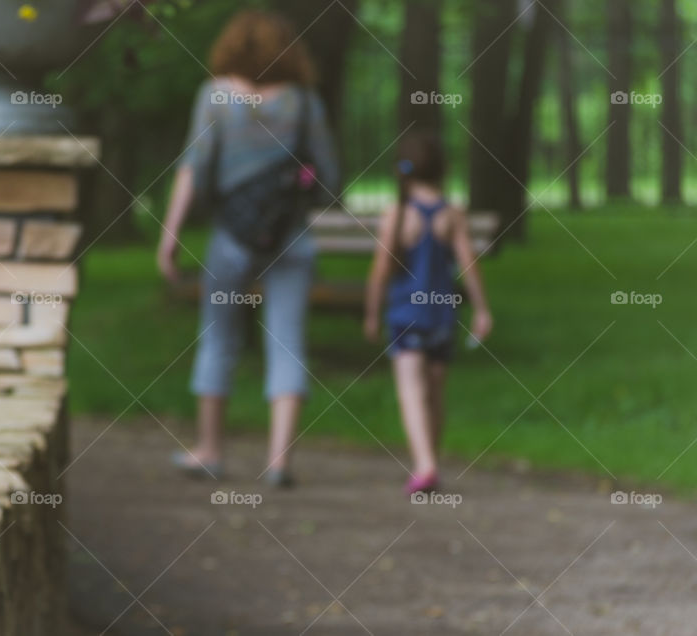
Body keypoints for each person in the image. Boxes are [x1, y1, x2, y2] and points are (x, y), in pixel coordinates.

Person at [157, 9, 340, 487]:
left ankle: (210, 450)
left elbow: (193, 169)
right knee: (288, 342)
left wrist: (170, 236)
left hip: (231, 241)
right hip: (292, 238)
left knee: (219, 337)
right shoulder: (304, 103)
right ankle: (279, 462)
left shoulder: (214, 96)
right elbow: (328, 179)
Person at [363, 131, 492, 495]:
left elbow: (380, 270)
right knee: (435, 392)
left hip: (405, 317)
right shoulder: (451, 213)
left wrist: (372, 312)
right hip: (442, 318)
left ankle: (425, 465)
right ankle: (430, 460)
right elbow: (469, 264)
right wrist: (482, 309)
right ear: (441, 169)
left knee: (411, 391)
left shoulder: (398, 214)